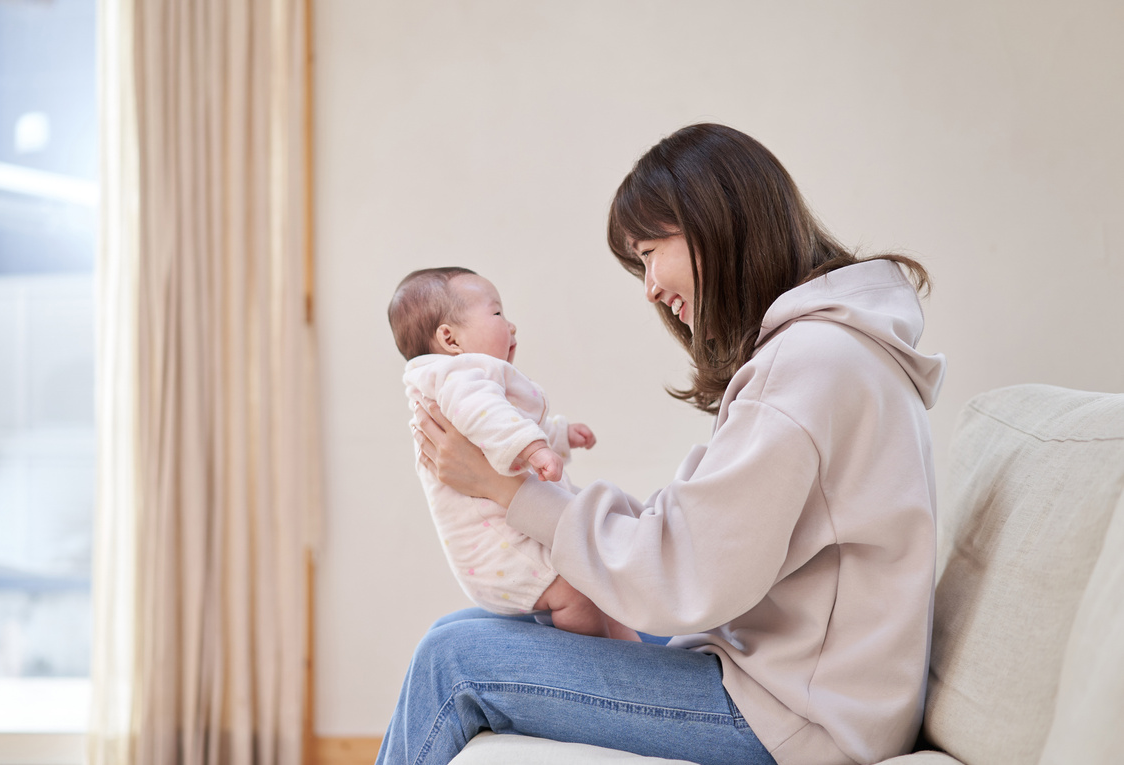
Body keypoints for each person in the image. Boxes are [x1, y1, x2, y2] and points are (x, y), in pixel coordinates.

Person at [377, 123, 946, 765]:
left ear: (713, 225)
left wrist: (508, 491)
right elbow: (706, 545)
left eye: (649, 253)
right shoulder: (820, 353)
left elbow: (683, 576)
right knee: (460, 631)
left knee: (453, 662)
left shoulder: (810, 366)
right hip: (790, 679)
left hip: (798, 716)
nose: (650, 288)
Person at [388, 267, 637, 640]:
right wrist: (536, 447)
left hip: (505, 542)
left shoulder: (460, 384)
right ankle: (598, 663)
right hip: (502, 549)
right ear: (449, 338)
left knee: (600, 590)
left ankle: (629, 653)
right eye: (497, 314)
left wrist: (558, 435)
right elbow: (493, 423)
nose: (512, 326)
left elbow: (503, 424)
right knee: (577, 594)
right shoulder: (459, 379)